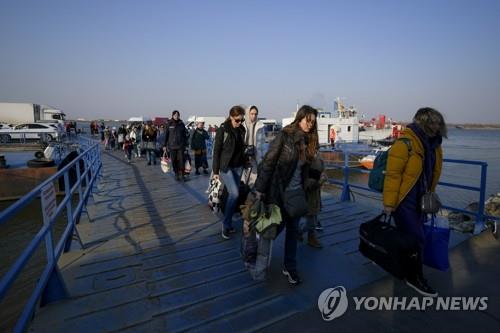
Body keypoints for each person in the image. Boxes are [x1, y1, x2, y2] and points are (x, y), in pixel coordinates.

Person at [383, 107, 447, 297]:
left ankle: (404, 268)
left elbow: (431, 172)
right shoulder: (405, 143)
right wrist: (389, 203)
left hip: (422, 199)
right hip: (405, 201)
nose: (437, 126)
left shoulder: (435, 144)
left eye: (439, 122)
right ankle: (415, 277)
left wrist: (431, 194)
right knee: (417, 239)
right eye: (433, 122)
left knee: (409, 238)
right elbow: (393, 175)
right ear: (423, 122)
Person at [254, 105, 319, 285]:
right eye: (308, 120)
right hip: (279, 193)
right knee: (272, 230)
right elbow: (268, 162)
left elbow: (312, 167)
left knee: (293, 231)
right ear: (300, 118)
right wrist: (260, 190)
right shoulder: (285, 136)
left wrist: (314, 181)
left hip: (297, 195)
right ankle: (258, 260)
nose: (310, 124)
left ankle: (290, 267)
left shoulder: (311, 141)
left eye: (313, 121)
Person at [212, 105, 246, 239]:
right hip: (226, 167)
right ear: (231, 117)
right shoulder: (223, 129)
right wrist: (215, 171)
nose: (239, 123)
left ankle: (229, 222)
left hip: (238, 166)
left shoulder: (242, 129)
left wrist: (246, 157)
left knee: (234, 196)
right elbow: (216, 151)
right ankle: (226, 224)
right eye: (237, 120)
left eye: (241, 120)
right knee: (235, 193)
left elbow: (240, 148)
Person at [242, 105, 266, 187]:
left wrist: (263, 157)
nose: (254, 116)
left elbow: (262, 143)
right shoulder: (242, 125)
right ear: (248, 114)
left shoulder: (260, 126)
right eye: (252, 114)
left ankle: (250, 196)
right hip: (243, 157)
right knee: (243, 179)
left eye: (255, 114)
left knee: (254, 179)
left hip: (255, 156)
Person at [164, 110, 188, 181]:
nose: (176, 116)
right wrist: (164, 145)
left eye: (177, 115)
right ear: (172, 115)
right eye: (175, 115)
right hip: (172, 146)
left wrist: (186, 144)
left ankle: (182, 174)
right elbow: (166, 135)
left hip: (180, 145)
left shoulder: (181, 123)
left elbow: (185, 135)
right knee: (174, 160)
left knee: (181, 160)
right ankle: (176, 174)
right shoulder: (169, 123)